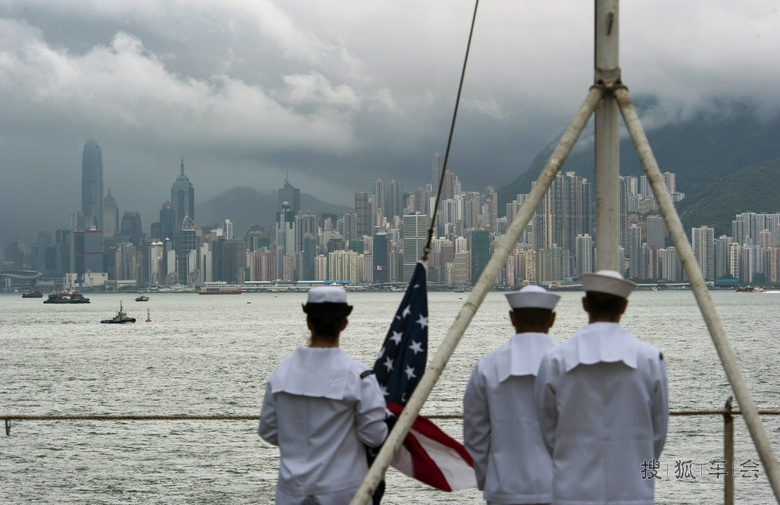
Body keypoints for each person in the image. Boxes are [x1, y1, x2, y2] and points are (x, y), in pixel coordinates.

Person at [534, 270, 669, 505]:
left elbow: (547, 430)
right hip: (633, 490)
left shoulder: (555, 360)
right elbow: (658, 432)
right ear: (624, 306)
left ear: (585, 304)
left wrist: (567, 461)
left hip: (571, 491)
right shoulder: (651, 359)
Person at [258, 286, 388, 505]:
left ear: (309, 323)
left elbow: (268, 430)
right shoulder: (359, 376)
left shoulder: (281, 373)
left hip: (291, 491)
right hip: (344, 492)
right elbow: (374, 436)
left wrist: (297, 441)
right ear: (344, 324)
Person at [463, 285, 561, 505]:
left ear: (512, 318)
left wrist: (487, 479)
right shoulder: (571, 365)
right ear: (552, 319)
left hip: (504, 489)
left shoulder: (487, 367)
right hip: (562, 489)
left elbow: (474, 435)